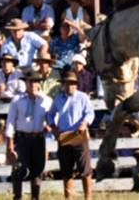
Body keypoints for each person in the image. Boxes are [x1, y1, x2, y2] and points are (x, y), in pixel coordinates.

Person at [47, 72, 95, 200]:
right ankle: (68, 196)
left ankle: (88, 197)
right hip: (64, 136)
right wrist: (54, 128)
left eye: (72, 83)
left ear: (76, 85)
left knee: (85, 168)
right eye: (67, 83)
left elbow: (90, 112)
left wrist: (84, 124)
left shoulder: (82, 97)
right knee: (66, 168)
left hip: (79, 136)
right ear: (63, 85)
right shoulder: (57, 99)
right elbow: (50, 114)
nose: (69, 86)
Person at [6, 71, 53, 200]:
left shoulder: (46, 100)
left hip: (38, 138)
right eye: (30, 81)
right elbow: (10, 121)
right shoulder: (17, 99)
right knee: (19, 168)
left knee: (37, 169)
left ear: (39, 84)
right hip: (22, 138)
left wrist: (49, 126)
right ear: (26, 83)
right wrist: (9, 142)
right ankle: (17, 196)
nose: (33, 84)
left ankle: (35, 197)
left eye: (35, 81)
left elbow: (54, 115)